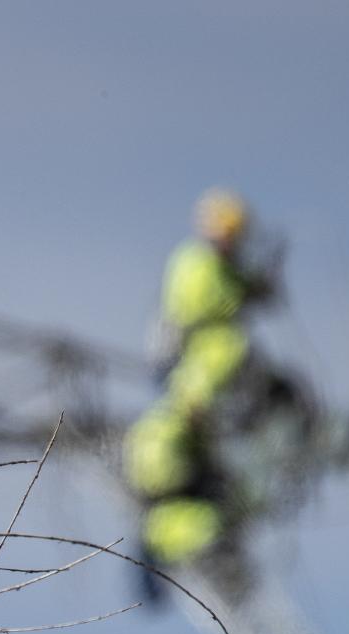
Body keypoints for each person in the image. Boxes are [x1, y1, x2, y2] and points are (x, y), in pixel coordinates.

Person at [125, 189, 285, 589]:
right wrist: (246, 294)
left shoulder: (221, 273)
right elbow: (207, 303)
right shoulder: (195, 264)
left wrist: (257, 288)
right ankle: (197, 561)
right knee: (200, 514)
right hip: (200, 379)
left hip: (211, 391)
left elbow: (239, 290)